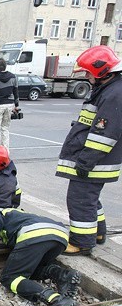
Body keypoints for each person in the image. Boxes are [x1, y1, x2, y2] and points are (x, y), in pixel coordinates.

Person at [55, 45, 122, 256]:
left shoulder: (114, 94)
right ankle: (98, 233)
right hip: (97, 161)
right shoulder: (109, 89)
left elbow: (103, 136)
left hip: (95, 161)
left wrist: (85, 162)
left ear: (101, 71)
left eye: (88, 72)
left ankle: (81, 242)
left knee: (79, 199)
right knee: (91, 197)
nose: (86, 76)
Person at [0, 208, 79, 306]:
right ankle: (63, 275)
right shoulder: (20, 214)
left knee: (10, 278)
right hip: (61, 236)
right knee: (33, 269)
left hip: (34, 234)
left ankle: (55, 299)